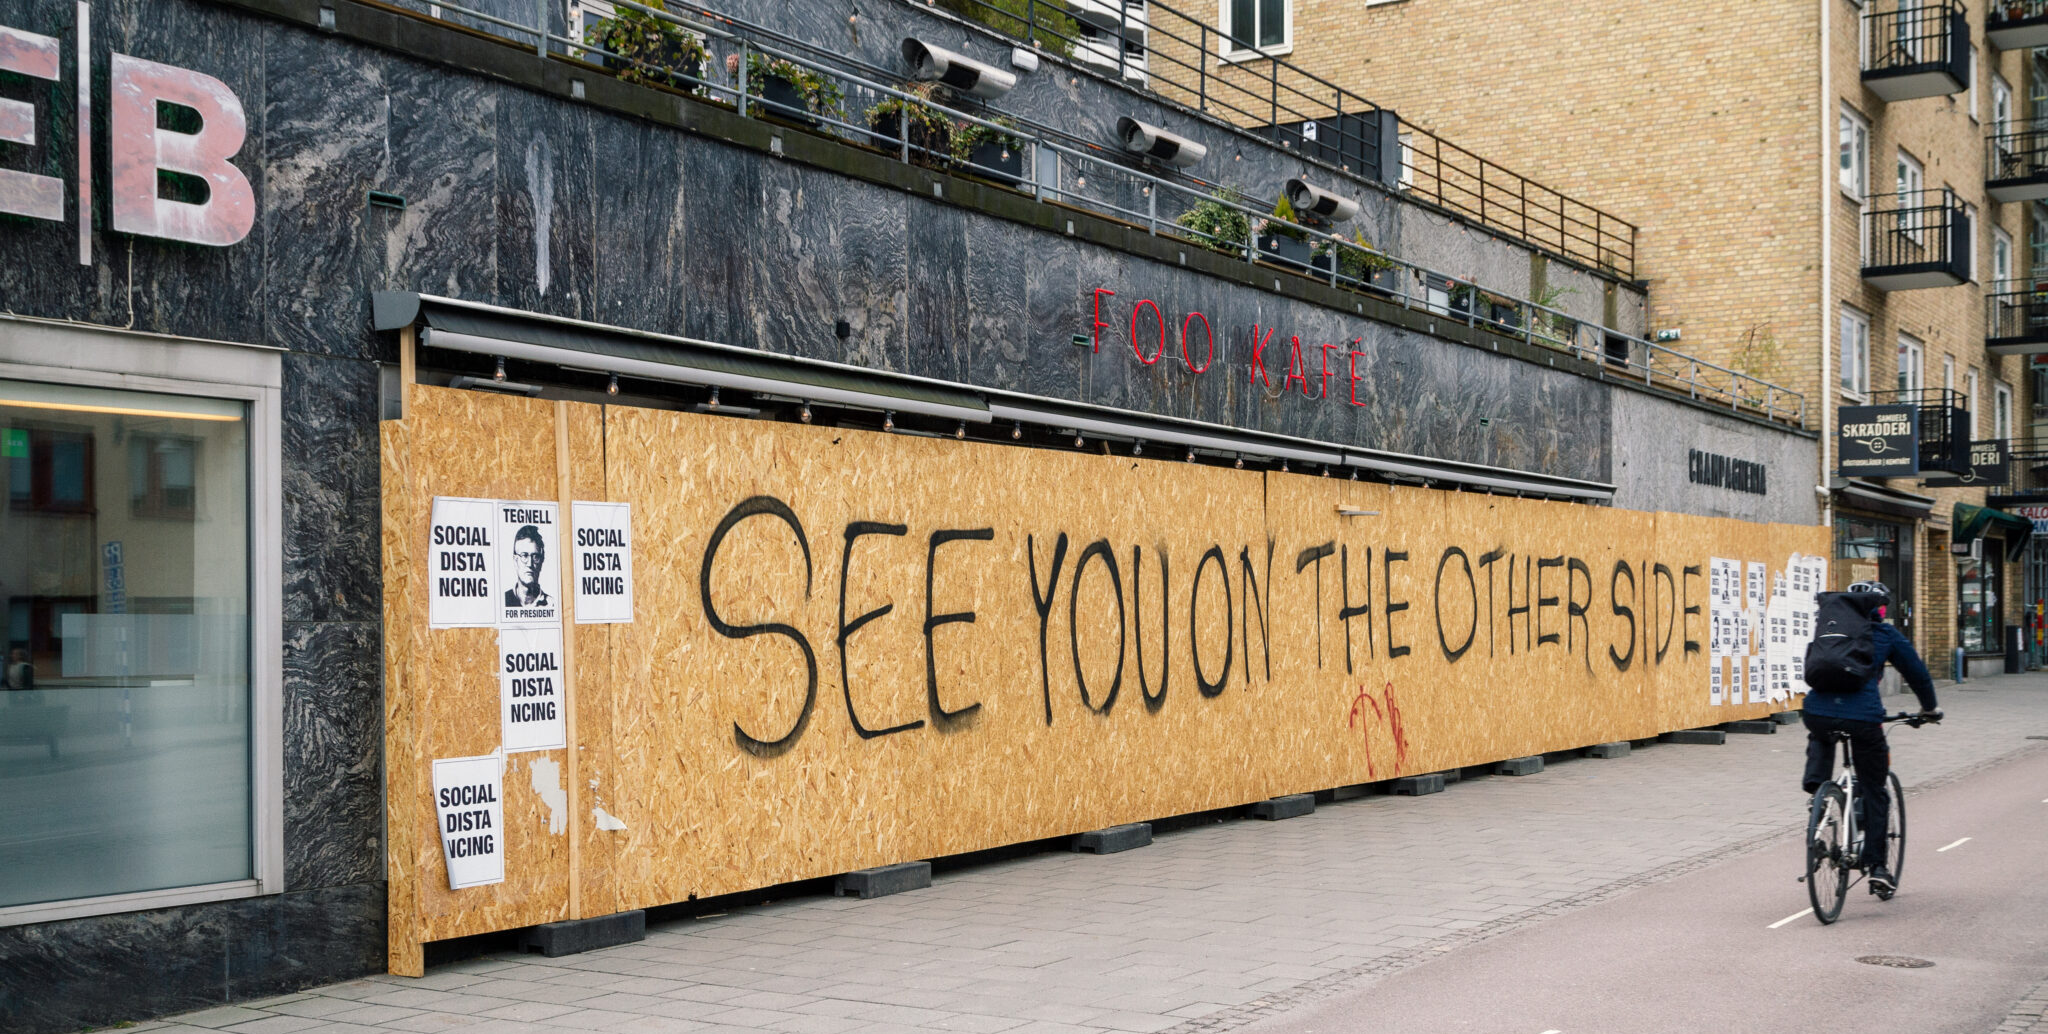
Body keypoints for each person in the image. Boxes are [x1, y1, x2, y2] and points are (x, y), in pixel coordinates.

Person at [1801, 580, 1940, 897]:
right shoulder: (1885, 634)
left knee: (1821, 733)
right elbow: (1917, 673)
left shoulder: (1831, 629)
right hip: (1863, 717)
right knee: (1876, 790)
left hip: (1818, 711)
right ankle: (1878, 868)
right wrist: (1929, 709)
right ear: (1879, 608)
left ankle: (1818, 794)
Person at [504, 525, 552, 609]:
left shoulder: (552, 605)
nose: (529, 563)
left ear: (541, 561)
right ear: (515, 561)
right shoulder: (503, 601)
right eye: (524, 556)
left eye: (535, 557)